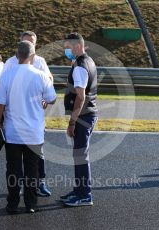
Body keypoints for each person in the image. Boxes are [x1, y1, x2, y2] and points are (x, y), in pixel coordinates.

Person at [0, 40, 56, 214]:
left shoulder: (7, 75)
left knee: (13, 169)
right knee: (32, 169)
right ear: (33, 55)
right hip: (34, 133)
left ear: (17, 55)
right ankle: (31, 203)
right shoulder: (41, 75)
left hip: (13, 132)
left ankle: (12, 203)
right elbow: (52, 98)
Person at [3, 31, 53, 197]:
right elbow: (2, 87)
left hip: (33, 115)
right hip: (15, 116)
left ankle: (40, 183)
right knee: (15, 160)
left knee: (38, 153)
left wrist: (45, 99)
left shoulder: (40, 61)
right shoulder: (10, 63)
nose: (30, 44)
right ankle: (16, 193)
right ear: (20, 43)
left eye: (32, 42)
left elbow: (49, 79)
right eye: (26, 41)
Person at [60, 33, 98, 206]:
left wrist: (72, 121)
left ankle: (85, 195)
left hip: (83, 117)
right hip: (86, 115)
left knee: (81, 156)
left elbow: (80, 97)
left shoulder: (81, 66)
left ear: (77, 46)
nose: (65, 50)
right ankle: (79, 190)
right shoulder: (86, 61)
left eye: (67, 47)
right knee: (79, 155)